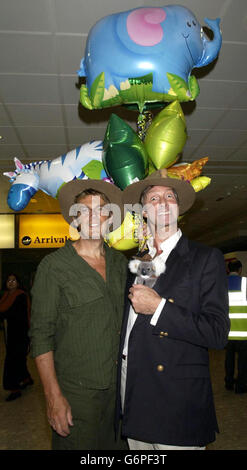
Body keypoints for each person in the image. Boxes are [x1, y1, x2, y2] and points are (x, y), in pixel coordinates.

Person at [116, 169, 230, 451]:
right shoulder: (138, 263)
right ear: (143, 211)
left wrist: (158, 308)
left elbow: (217, 333)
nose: (163, 202)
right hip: (133, 394)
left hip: (176, 403)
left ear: (178, 208)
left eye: (170, 197)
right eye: (154, 198)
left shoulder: (206, 258)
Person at [29, 179, 128, 450]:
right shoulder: (54, 267)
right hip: (76, 393)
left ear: (111, 217)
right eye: (85, 210)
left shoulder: (121, 264)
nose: (94, 217)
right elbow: (40, 337)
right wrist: (53, 396)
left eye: (101, 210)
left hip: (119, 391)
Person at [0, 273, 33, 401]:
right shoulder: (6, 296)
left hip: (20, 334)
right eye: (9, 280)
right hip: (12, 333)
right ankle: (26, 379)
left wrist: (3, 315)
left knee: (12, 361)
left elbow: (12, 313)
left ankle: (14, 389)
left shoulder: (20, 296)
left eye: (14, 280)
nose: (11, 282)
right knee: (19, 359)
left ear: (18, 283)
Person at [225, 260, 247, 393]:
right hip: (244, 331)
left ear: (228, 270)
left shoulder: (221, 283)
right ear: (240, 269)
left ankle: (228, 382)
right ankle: (241, 386)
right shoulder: (245, 282)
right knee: (243, 361)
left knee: (229, 359)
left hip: (227, 331)